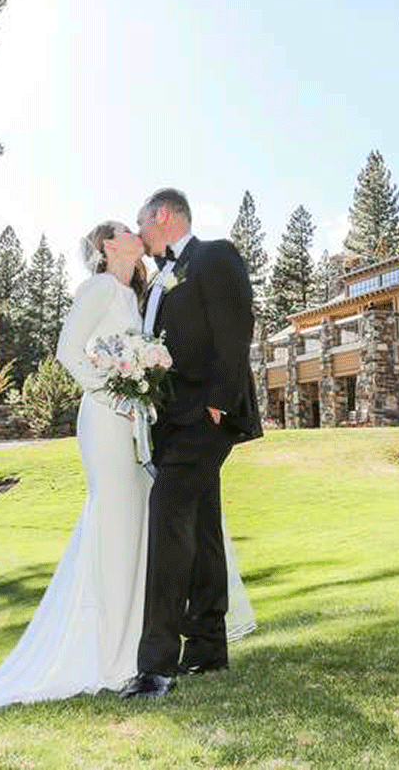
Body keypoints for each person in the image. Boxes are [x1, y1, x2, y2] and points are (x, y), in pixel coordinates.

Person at [0, 221, 254, 724]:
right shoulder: (98, 287)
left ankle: (136, 643)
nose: (137, 234)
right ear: (107, 245)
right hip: (108, 422)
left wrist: (145, 390)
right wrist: (115, 392)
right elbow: (69, 352)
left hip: (137, 424)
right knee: (114, 521)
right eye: (127, 230)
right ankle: (109, 653)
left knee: (138, 527)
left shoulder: (139, 293)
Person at [121, 188, 263, 702]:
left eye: (142, 222)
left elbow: (236, 327)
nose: (139, 232)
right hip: (172, 423)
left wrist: (219, 404)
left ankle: (156, 667)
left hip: (206, 419)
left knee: (168, 517)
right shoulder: (159, 279)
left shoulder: (214, 255)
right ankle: (208, 648)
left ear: (162, 215)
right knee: (202, 530)